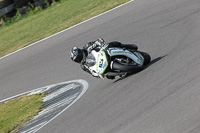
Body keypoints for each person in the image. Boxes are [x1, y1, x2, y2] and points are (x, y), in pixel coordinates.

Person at [69, 38, 138, 79]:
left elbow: (99, 40)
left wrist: (102, 44)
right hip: (100, 64)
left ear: (80, 52)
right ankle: (122, 70)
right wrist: (98, 75)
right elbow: (92, 73)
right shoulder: (83, 66)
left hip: (104, 53)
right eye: (77, 60)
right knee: (109, 77)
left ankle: (126, 46)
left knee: (113, 44)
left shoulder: (87, 46)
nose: (79, 59)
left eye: (79, 57)